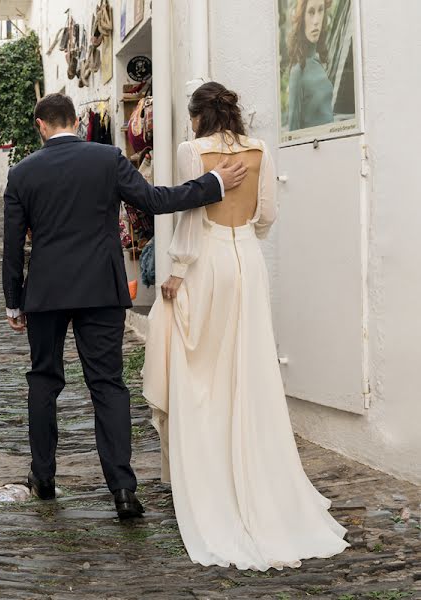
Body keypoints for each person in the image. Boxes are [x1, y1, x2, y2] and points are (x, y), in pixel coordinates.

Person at [2, 93, 248, 521]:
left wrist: (13, 301)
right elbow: (154, 201)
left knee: (43, 381)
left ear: (41, 125)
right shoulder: (107, 158)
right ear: (77, 121)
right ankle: (122, 491)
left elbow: (12, 246)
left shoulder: (22, 173)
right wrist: (214, 184)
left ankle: (43, 478)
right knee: (108, 385)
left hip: (46, 293)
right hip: (101, 288)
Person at [143, 82, 348, 570]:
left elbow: (192, 216)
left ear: (197, 116)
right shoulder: (261, 150)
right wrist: (244, 238)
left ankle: (211, 473)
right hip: (248, 262)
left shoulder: (193, 149)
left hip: (206, 262)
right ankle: (256, 473)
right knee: (249, 367)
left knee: (202, 370)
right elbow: (267, 214)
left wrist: (176, 269)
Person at [286, 0, 334, 131]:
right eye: (311, 12)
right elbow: (292, 133)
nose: (316, 20)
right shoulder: (298, 72)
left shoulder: (322, 63)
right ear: (302, 18)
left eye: (321, 10)